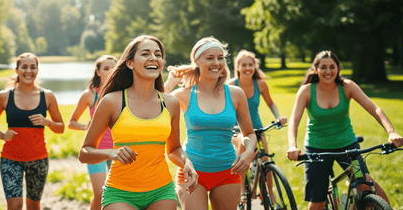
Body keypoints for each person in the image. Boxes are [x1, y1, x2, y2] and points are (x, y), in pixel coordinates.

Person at [79, 35, 198, 210]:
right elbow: (84, 152)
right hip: (120, 192)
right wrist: (111, 153)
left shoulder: (170, 103)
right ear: (130, 63)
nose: (153, 58)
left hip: (161, 190)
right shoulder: (112, 101)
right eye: (145, 53)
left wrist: (187, 163)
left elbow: (174, 149)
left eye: (158, 54)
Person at [286, 50, 403, 210]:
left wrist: (392, 132)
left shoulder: (347, 87)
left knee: (366, 185)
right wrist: (292, 145)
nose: (328, 71)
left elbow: (374, 108)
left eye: (332, 67)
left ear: (338, 68)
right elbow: (294, 121)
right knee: (317, 203)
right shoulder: (307, 91)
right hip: (316, 151)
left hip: (348, 148)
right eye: (323, 67)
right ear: (315, 69)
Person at [164, 37, 257, 210]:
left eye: (220, 58)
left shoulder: (236, 94)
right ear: (197, 62)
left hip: (228, 172)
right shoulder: (182, 95)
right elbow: (155, 108)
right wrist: (169, 84)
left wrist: (248, 151)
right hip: (191, 172)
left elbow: (249, 133)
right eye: (210, 58)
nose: (217, 63)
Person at [0, 52, 65, 210]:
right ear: (16, 70)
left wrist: (47, 122)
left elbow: (61, 127)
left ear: (37, 70)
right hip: (10, 159)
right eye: (24, 67)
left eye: (32, 67)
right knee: (15, 205)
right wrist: (1, 135)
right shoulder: (4, 96)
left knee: (33, 205)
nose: (28, 71)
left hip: (38, 159)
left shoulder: (47, 96)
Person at [225, 49, 286, 208]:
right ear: (237, 66)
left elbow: (270, 103)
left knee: (266, 160)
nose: (247, 68)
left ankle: (270, 195)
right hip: (237, 130)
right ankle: (240, 195)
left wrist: (277, 116)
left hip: (257, 128)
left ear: (255, 66)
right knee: (243, 157)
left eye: (250, 64)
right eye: (243, 64)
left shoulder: (260, 83)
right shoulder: (230, 85)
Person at [68, 55, 118, 210]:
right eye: (106, 68)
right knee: (99, 193)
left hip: (118, 150)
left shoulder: (122, 93)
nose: (110, 71)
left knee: (117, 195)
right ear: (98, 71)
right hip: (95, 150)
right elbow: (71, 122)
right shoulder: (89, 95)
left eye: (114, 67)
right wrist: (84, 126)